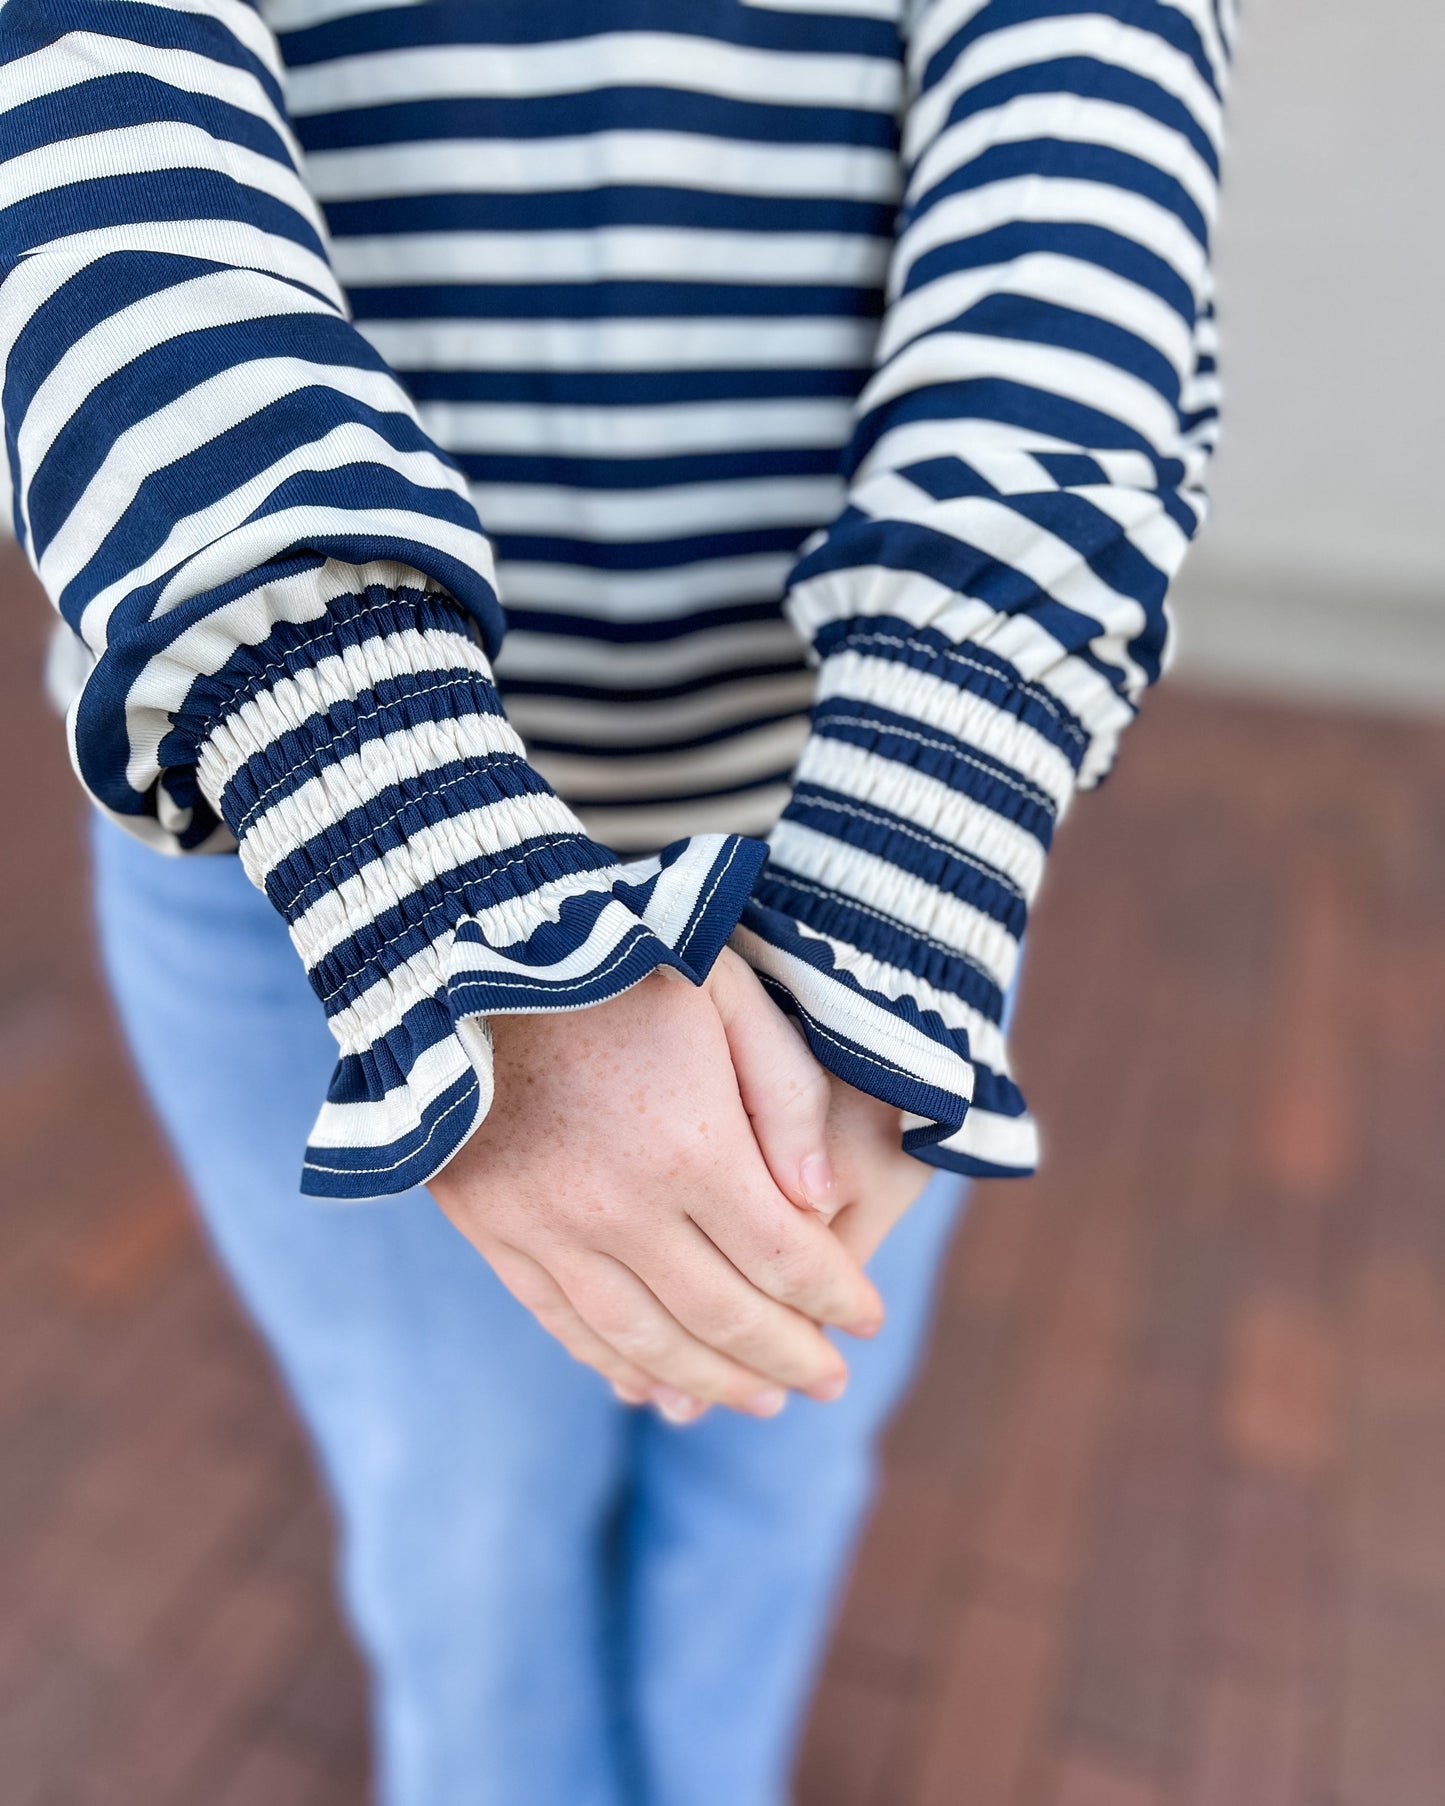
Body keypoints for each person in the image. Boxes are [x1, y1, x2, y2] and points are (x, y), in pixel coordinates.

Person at [0, 0, 1230, 1799]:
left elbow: (1083, 138)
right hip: (309, 860)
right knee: (472, 1535)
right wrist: (450, 903)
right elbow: (76, 106)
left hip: (852, 840)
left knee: (782, 1474)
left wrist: (896, 888)